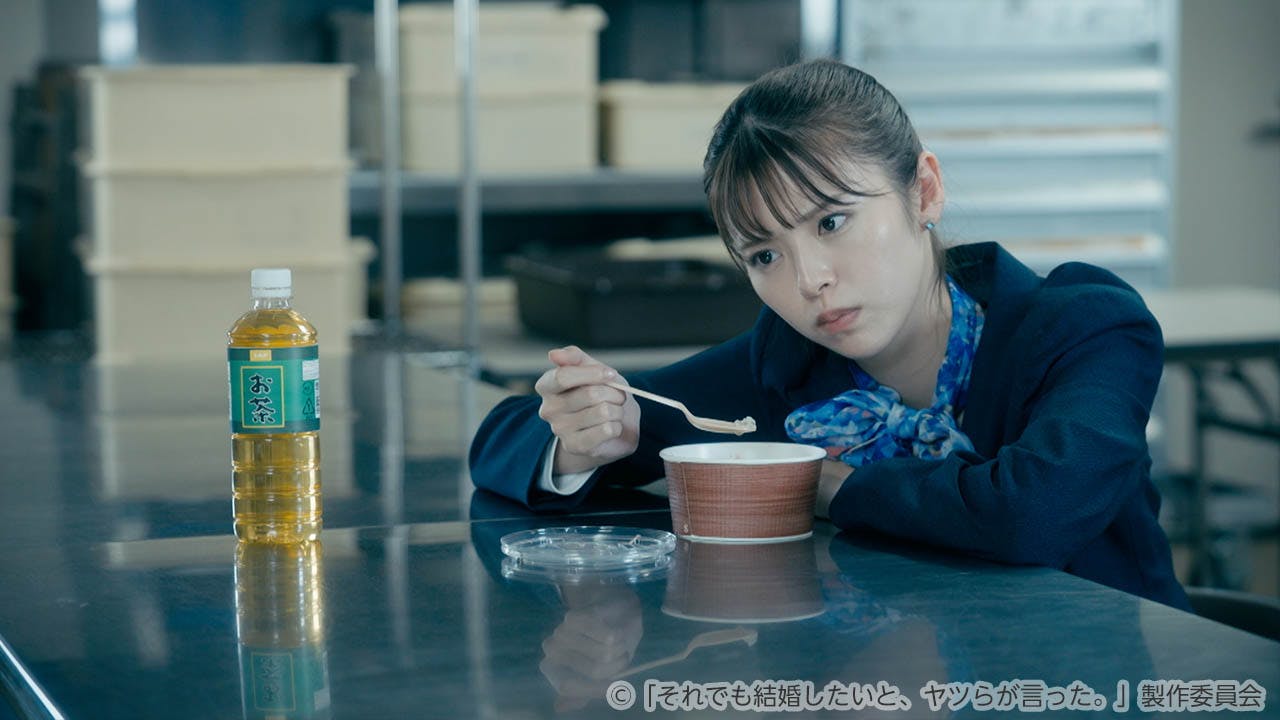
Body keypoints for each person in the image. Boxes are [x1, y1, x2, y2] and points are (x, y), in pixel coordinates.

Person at [469, 59, 1190, 611]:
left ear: (923, 191)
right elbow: (506, 436)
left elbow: (1033, 514)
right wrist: (581, 437)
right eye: (764, 256)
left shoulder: (1084, 327)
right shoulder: (782, 366)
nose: (809, 279)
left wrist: (822, 483)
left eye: (832, 221)